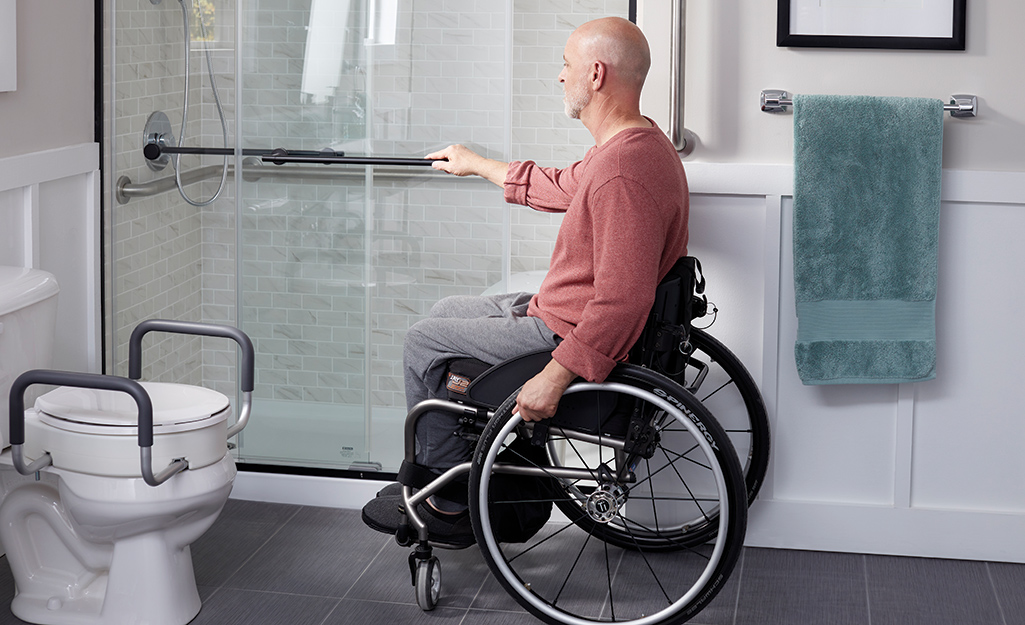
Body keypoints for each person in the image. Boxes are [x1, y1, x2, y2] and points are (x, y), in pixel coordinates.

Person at [361, 16, 689, 547]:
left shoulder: (624, 171)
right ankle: (451, 464)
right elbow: (563, 186)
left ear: (596, 73)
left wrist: (555, 378)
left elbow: (624, 300)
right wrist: (475, 164)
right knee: (448, 307)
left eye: (566, 64)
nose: (560, 77)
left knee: (423, 338)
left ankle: (445, 497)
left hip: (565, 332)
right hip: (558, 308)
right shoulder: (636, 143)